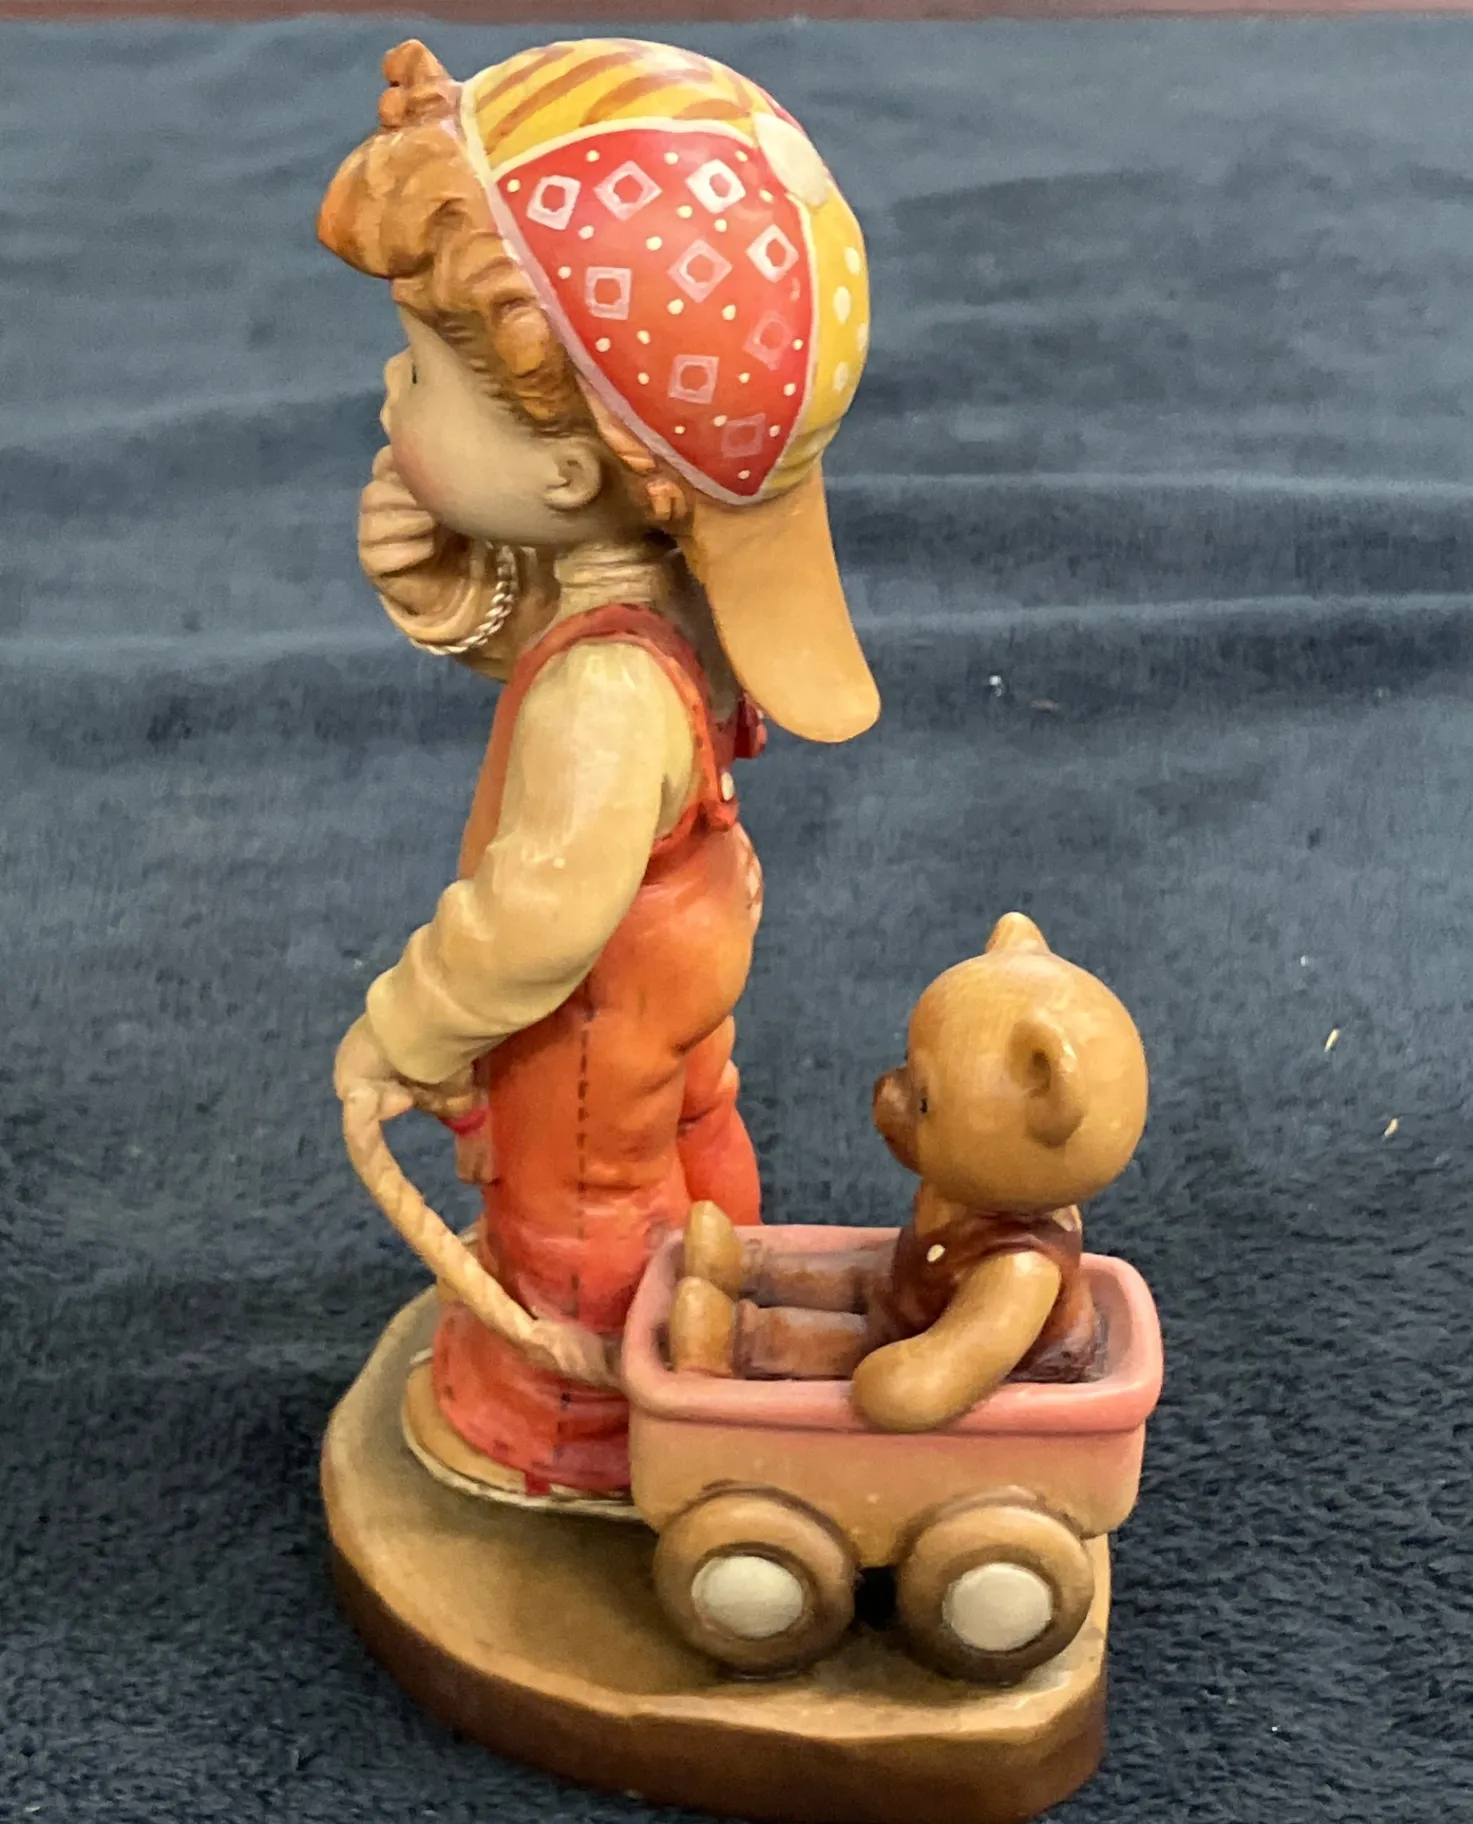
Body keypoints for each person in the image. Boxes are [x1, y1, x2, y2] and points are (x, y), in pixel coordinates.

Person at [321, 38, 878, 1502]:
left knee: (581, 1218)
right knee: (693, 1155)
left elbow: (539, 912)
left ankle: (579, 1434)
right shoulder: (662, 601)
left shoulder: (607, 697)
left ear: (569, 475)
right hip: (680, 975)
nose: (390, 391)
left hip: (593, 1014)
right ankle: (720, 1306)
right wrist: (458, 591)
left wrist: (408, 1029)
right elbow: (569, 643)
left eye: (423, 370)